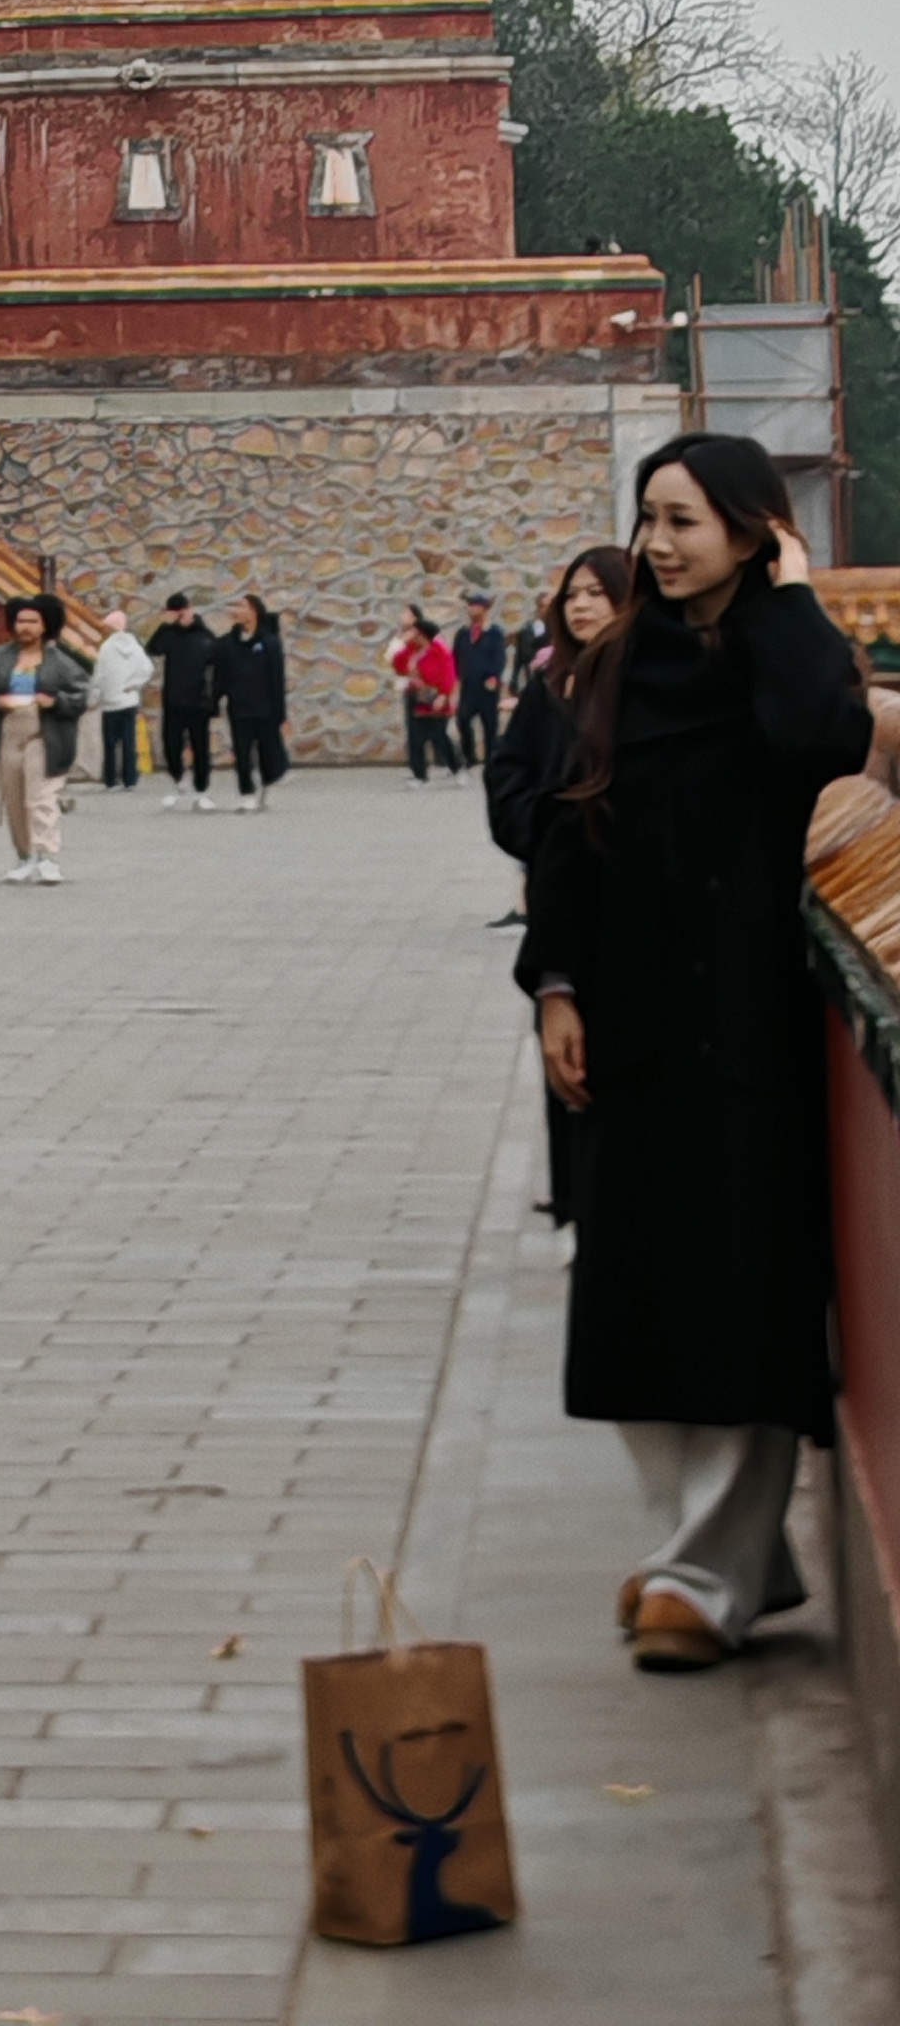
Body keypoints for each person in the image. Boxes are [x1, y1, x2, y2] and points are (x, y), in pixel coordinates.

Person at [526, 434, 900, 1671]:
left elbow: (823, 745)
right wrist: (557, 986)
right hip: (632, 1020)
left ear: (749, 528)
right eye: (648, 520)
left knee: (741, 1301)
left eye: (684, 521)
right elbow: (566, 831)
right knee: (634, 1307)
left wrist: (791, 594)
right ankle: (707, 1552)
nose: (657, 545)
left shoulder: (780, 659)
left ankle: (704, 1574)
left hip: (749, 1026)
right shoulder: (619, 667)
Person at [487, 542, 631, 1229]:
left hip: (625, 906)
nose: (580, 605)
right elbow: (507, 775)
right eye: (572, 595)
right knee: (564, 1057)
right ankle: (573, 1201)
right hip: (559, 898)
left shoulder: (645, 688)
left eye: (596, 593)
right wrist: (539, 836)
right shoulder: (549, 689)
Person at [0, 597, 88, 882]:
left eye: (33, 622)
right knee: (15, 799)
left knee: (42, 796)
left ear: (46, 625)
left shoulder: (62, 664)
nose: (25, 627)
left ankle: (47, 856)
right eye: (21, 621)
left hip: (43, 737)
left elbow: (82, 695)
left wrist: (56, 701)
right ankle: (24, 856)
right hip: (8, 735)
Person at [214, 594, 288, 808]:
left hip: (264, 708)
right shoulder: (227, 644)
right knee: (242, 753)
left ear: (254, 611)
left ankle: (267, 784)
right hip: (239, 708)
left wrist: (279, 712)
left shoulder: (270, 643)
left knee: (267, 752)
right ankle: (246, 793)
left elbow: (276, 678)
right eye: (236, 606)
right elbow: (220, 677)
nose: (237, 610)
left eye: (242, 606)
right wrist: (214, 702)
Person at [149, 591, 221, 806]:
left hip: (199, 701)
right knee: (171, 745)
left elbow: (215, 666)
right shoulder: (169, 634)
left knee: (200, 747)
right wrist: (164, 625)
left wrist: (213, 701)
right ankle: (178, 779)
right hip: (173, 700)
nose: (181, 616)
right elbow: (152, 649)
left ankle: (202, 790)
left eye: (183, 611)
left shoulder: (204, 635)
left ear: (190, 609)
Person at [85, 602, 152, 791]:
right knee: (129, 743)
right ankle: (130, 780)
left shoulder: (106, 648)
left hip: (110, 703)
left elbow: (100, 676)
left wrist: (93, 699)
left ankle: (111, 779)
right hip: (129, 700)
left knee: (110, 744)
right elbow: (147, 669)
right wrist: (134, 685)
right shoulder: (135, 646)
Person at [388, 605, 460, 781]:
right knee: (415, 737)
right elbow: (397, 666)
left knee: (439, 736)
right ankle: (420, 775)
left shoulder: (439, 651)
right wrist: (402, 644)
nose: (411, 634)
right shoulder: (410, 651)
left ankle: (456, 767)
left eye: (415, 631)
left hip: (434, 698)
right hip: (416, 697)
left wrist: (443, 695)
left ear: (422, 634)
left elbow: (448, 674)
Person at [452, 588, 508, 768]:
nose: (471, 609)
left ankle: (492, 758)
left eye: (476, 605)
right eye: (470, 605)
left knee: (489, 724)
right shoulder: (462, 634)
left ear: (484, 609)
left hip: (487, 686)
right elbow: (455, 657)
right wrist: (455, 679)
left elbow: (499, 657)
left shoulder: (494, 633)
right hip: (468, 686)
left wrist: (494, 676)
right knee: (463, 719)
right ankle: (470, 756)